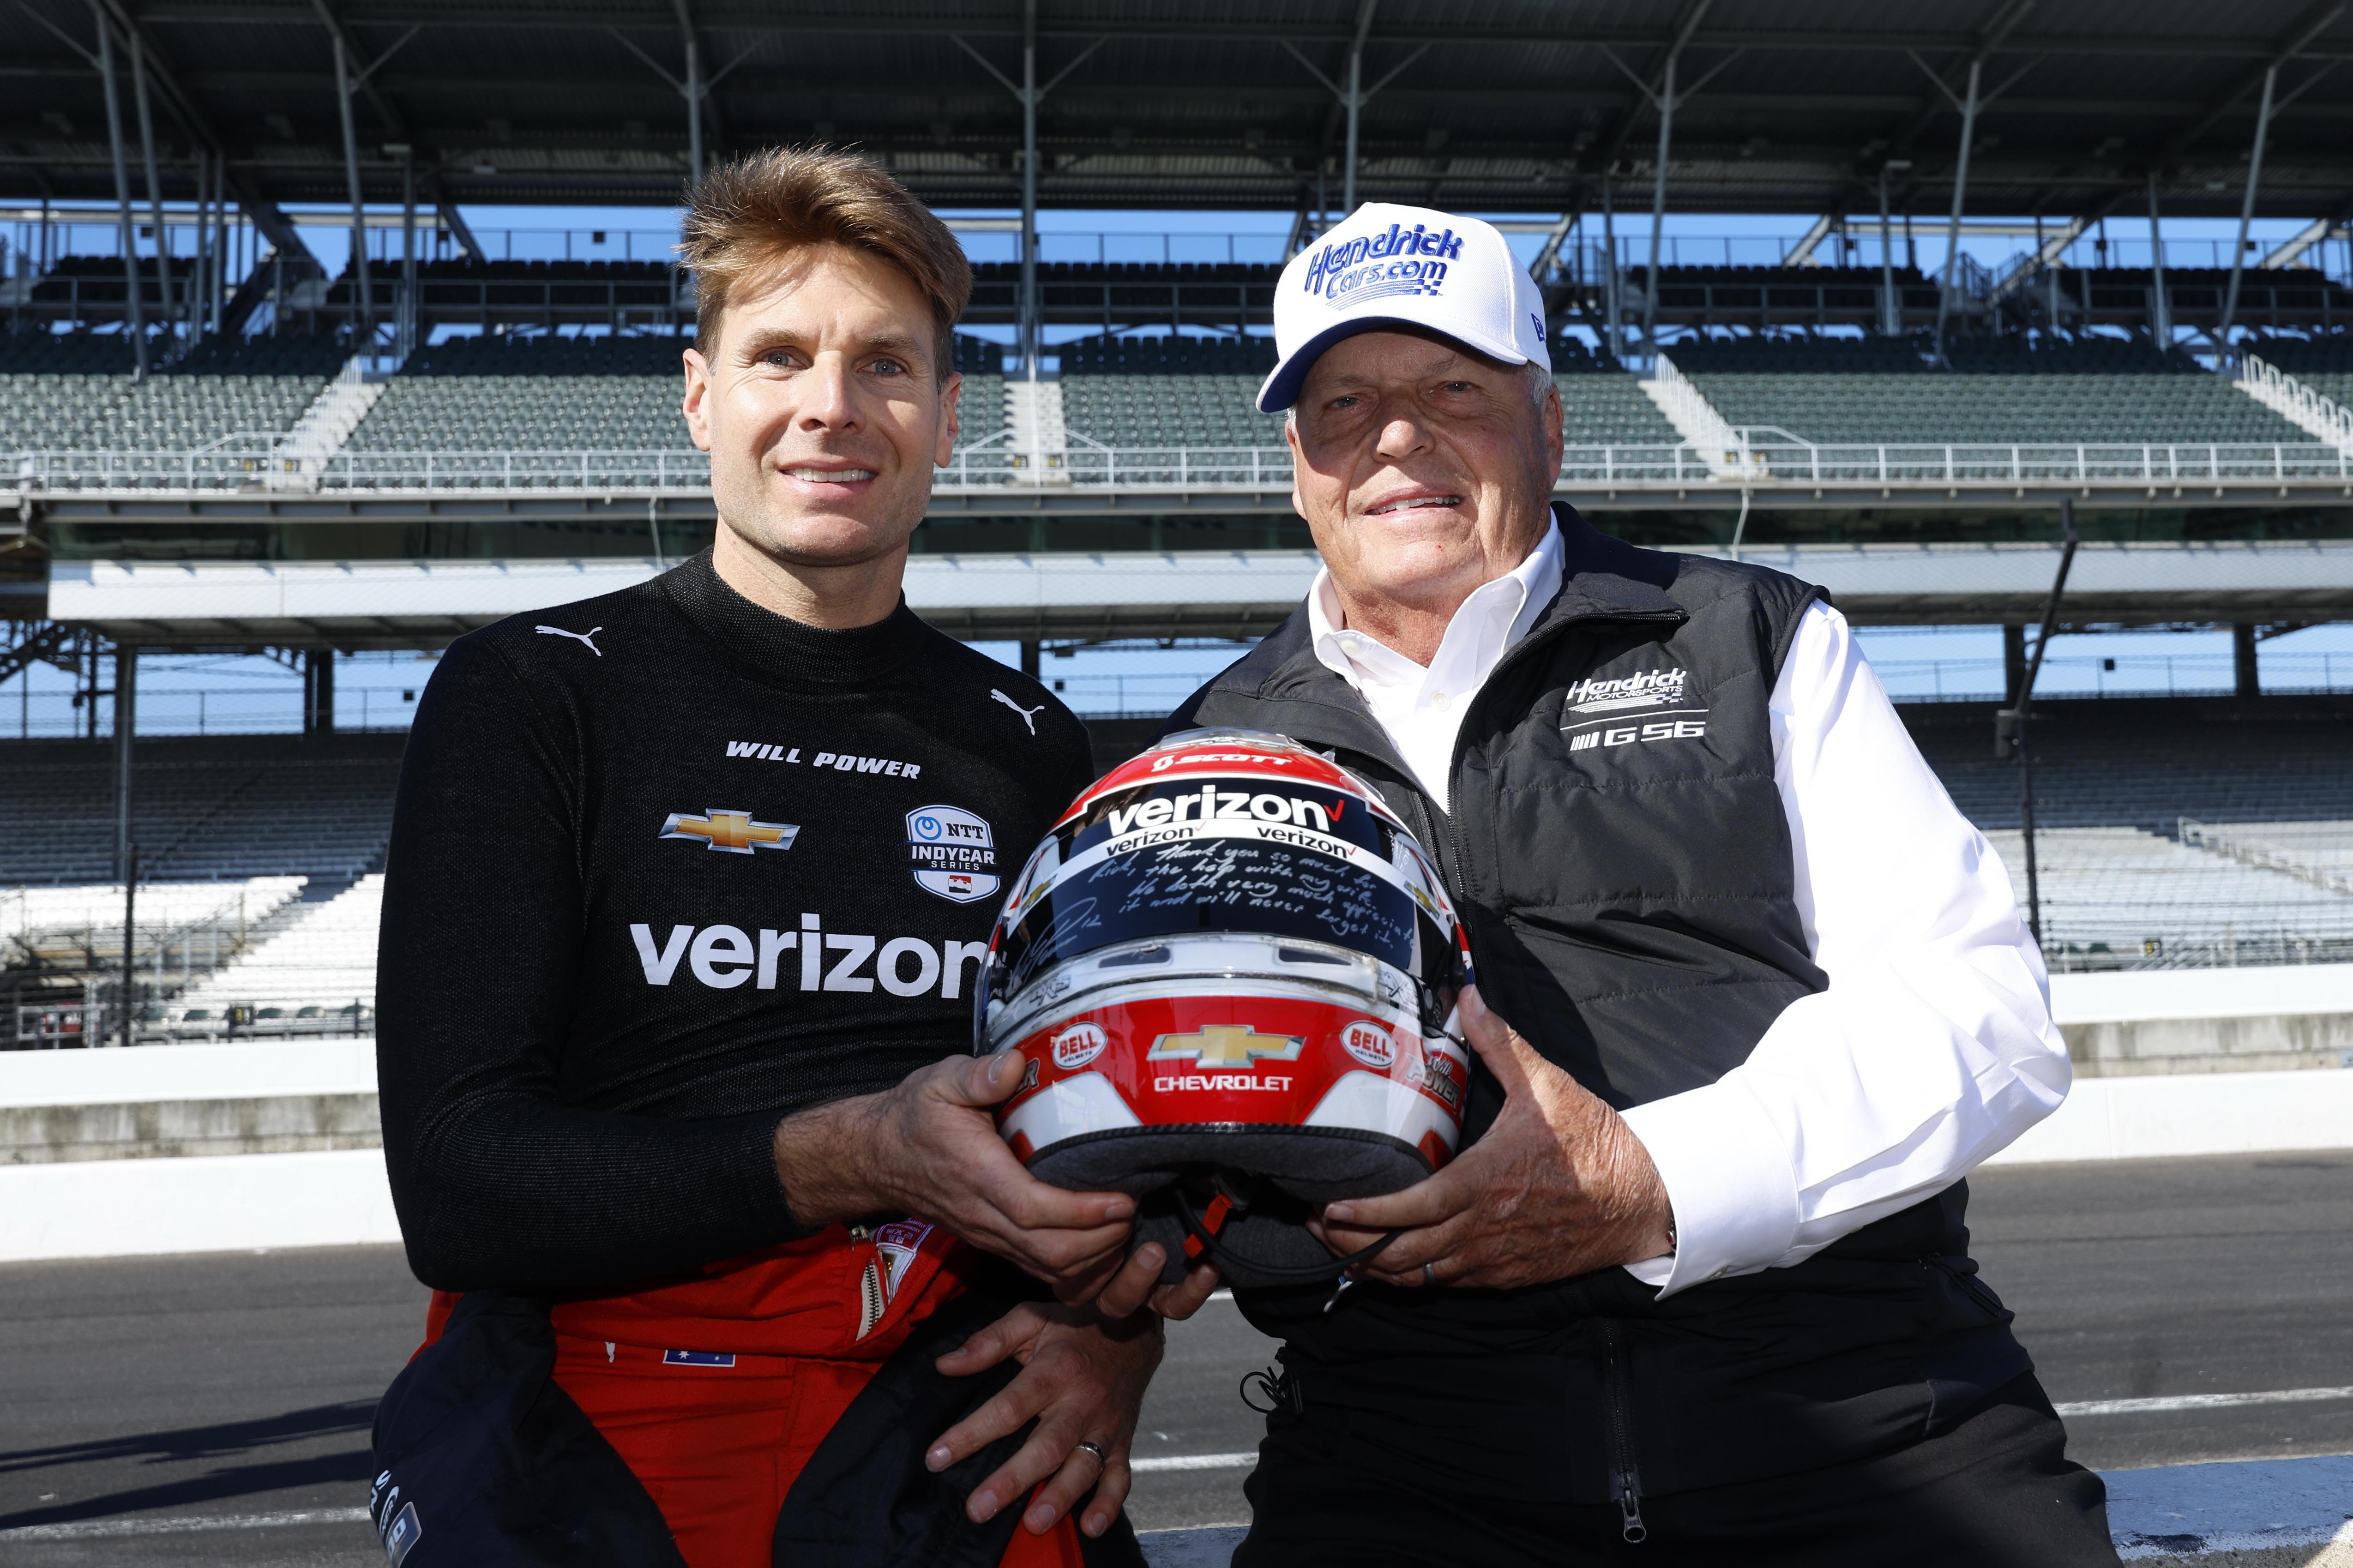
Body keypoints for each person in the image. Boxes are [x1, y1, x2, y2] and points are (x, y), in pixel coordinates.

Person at [1160, 202, 2121, 1567]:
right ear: (1297, 459)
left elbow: (1980, 1019)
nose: (1393, 439)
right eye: (1343, 402)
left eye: (1453, 391)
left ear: (1547, 426)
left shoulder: (1752, 635)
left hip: (1865, 1424)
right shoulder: (1205, 748)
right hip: (1405, 1456)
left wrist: (1647, 1181)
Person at [373, 148, 1209, 1568]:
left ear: (949, 421)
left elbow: (1128, 1142)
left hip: (945, 1444)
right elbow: (458, 1185)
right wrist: (859, 1154)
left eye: (885, 365)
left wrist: (1109, 1328)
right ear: (701, 397)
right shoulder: (535, 690)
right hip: (597, 1438)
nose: (832, 407)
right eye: (779, 356)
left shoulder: (1029, 742)